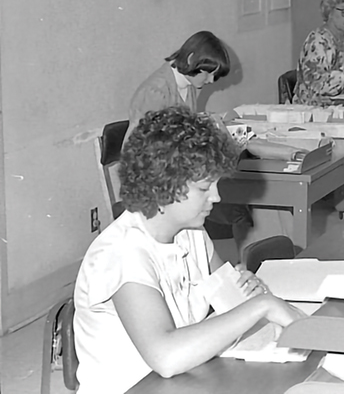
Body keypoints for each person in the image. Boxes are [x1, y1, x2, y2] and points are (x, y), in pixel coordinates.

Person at [74, 107, 304, 394]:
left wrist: (249, 292)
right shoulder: (122, 253)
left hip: (188, 380)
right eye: (204, 188)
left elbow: (230, 299)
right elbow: (166, 357)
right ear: (162, 186)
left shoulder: (191, 232)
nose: (217, 197)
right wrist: (261, 306)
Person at [127, 30, 251, 239]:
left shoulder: (189, 85)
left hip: (177, 175)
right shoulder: (156, 92)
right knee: (235, 208)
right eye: (209, 73)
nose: (211, 80)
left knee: (236, 197)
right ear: (192, 60)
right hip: (157, 183)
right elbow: (147, 154)